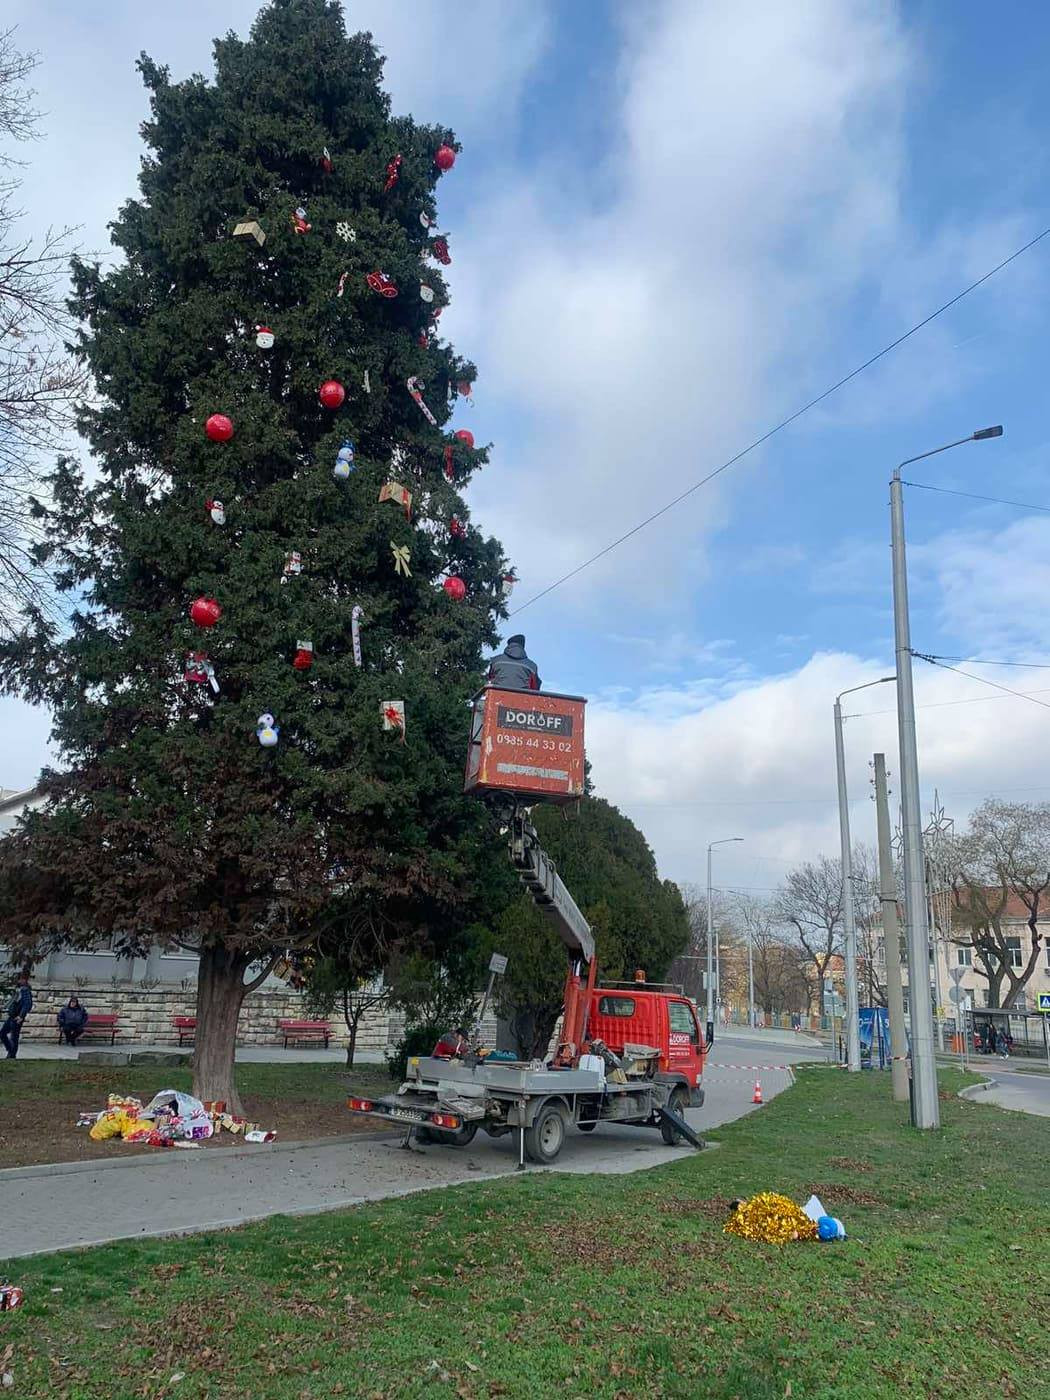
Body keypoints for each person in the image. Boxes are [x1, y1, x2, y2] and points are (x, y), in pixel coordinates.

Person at [1, 971, 33, 1060]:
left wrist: (21, 1016)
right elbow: (12, 1000)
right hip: (12, 1016)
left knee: (14, 1037)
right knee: (3, 1033)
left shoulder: (25, 990)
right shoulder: (18, 989)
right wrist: (4, 1007)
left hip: (17, 1017)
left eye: (20, 979)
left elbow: (27, 1004)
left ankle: (12, 1055)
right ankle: (10, 1051)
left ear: (24, 980)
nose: (18, 981)